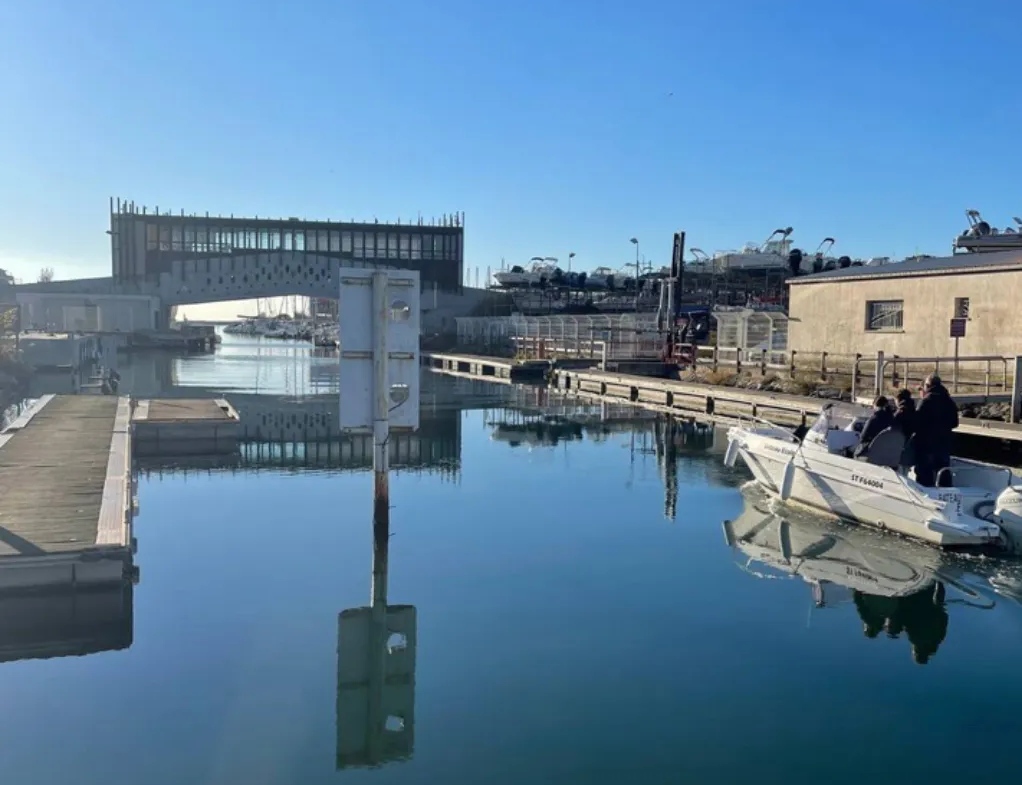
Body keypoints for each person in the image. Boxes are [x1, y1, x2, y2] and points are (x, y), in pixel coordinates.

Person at [913, 373, 959, 487]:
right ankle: (946, 495)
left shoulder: (926, 401)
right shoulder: (949, 401)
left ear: (927, 385)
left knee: (925, 474)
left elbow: (917, 422)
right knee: (943, 472)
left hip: (927, 444)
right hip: (944, 443)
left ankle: (925, 496)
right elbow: (955, 423)